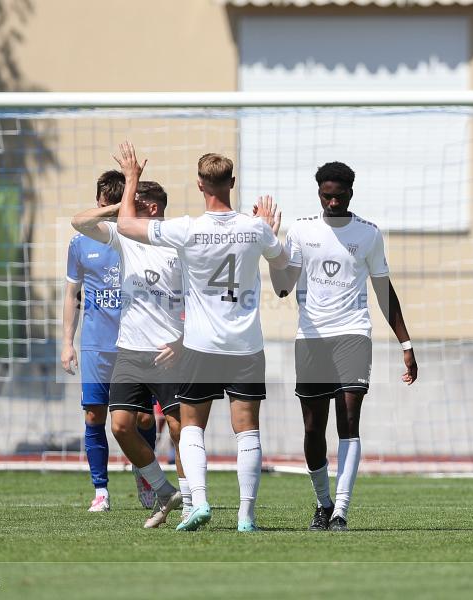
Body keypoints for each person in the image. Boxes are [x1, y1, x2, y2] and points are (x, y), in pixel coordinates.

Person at [115, 142, 289, 532]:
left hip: (201, 346)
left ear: (199, 185)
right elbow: (285, 276)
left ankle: (200, 502)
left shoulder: (187, 228)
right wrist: (270, 237)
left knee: (192, 428)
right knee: (247, 429)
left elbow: (126, 225)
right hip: (245, 346)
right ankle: (246, 517)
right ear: (232, 182)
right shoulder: (254, 227)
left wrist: (131, 180)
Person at [270, 161, 418, 531]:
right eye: (326, 196)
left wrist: (406, 342)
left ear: (351, 193)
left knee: (349, 421)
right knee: (312, 428)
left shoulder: (368, 234)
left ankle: (341, 511)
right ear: (318, 193)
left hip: (353, 335)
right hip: (311, 339)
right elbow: (283, 288)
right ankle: (323, 503)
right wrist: (273, 250)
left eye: (339, 196)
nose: (332, 202)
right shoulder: (302, 231)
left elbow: (384, 291)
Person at [72, 178, 187, 528]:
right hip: (130, 350)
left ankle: (193, 498)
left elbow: (199, 299)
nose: (125, 212)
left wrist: (182, 342)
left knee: (182, 429)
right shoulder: (126, 238)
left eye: (132, 205)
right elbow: (80, 222)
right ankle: (164, 491)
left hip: (167, 352)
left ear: (151, 209)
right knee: (120, 426)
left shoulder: (178, 244)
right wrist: (121, 198)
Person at [62, 170, 156, 512]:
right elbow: (72, 294)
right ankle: (101, 491)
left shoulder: (135, 238)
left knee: (143, 419)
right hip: (95, 346)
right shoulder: (80, 242)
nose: (103, 209)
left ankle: (145, 478)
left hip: (134, 343)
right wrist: (66, 342)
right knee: (93, 416)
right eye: (102, 204)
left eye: (109, 204)